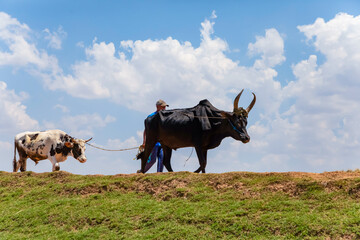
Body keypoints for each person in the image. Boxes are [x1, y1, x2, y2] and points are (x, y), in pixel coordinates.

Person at [140, 99, 169, 173]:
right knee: (152, 160)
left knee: (162, 159)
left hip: (163, 143)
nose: (164, 109)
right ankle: (142, 171)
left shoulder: (166, 117)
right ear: (157, 106)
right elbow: (146, 131)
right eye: (163, 107)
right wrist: (144, 142)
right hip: (153, 144)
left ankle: (159, 174)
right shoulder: (151, 116)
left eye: (165, 107)